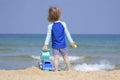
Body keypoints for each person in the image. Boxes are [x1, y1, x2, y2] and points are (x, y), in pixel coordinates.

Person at [42, 6, 76, 71]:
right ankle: (69, 69)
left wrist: (46, 45)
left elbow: (48, 36)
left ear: (50, 16)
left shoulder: (50, 26)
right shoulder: (63, 24)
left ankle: (56, 70)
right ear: (59, 15)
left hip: (55, 46)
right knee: (66, 57)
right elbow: (67, 33)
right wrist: (71, 42)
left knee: (56, 58)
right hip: (63, 45)